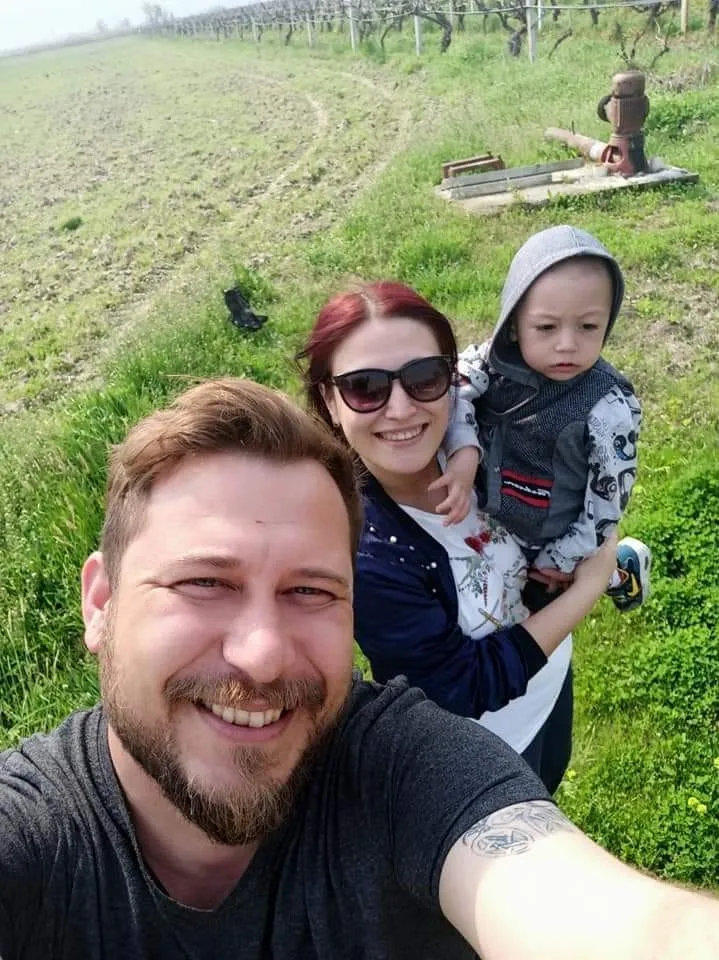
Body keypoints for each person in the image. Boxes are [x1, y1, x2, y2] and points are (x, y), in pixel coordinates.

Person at [2, 376, 719, 960]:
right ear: (101, 602)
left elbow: (602, 919)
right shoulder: (33, 832)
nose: (263, 654)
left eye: (310, 592)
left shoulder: (404, 769)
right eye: (205, 582)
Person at [299, 282, 613, 790]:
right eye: (365, 386)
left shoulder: (488, 437)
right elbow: (461, 687)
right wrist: (588, 588)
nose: (401, 409)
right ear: (330, 401)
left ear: (452, 377)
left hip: (549, 683)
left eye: (423, 377)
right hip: (488, 756)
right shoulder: (363, 554)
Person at [443, 224, 651, 613]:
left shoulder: (606, 405)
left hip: (556, 540)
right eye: (546, 327)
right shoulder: (490, 362)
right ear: (514, 325)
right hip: (492, 520)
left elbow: (608, 497)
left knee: (552, 601)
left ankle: (622, 569)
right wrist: (464, 446)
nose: (567, 344)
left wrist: (566, 556)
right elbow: (455, 388)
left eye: (588, 327)